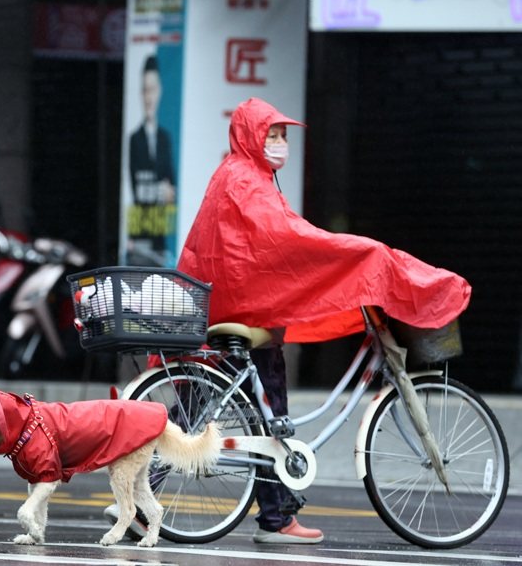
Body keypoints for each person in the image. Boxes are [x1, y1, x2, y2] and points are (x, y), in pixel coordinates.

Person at [177, 97, 471, 543]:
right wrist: (353, 254)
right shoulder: (246, 180)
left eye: (283, 136)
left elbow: (274, 239)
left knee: (220, 411)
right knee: (268, 409)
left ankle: (148, 497)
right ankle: (275, 519)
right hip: (244, 306)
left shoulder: (240, 175)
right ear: (250, 135)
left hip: (224, 304)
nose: (279, 143)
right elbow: (286, 240)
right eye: (271, 134)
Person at [126, 55, 176, 267]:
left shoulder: (165, 138)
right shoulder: (134, 139)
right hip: (139, 233)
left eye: (153, 89)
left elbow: (172, 185)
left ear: (160, 91)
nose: (149, 97)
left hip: (162, 231)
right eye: (145, 90)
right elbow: (133, 188)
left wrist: (169, 192)